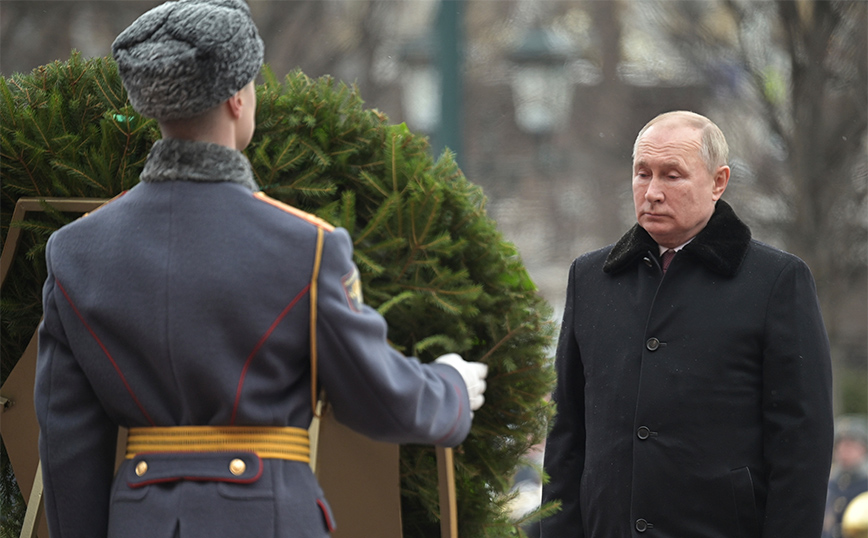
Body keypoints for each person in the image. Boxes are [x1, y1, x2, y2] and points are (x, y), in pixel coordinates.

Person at [33, 1, 487, 537]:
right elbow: (377, 397)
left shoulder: (75, 251)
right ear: (236, 97)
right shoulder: (306, 245)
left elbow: (67, 445)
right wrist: (451, 388)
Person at [540, 110, 834, 537]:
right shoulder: (590, 279)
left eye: (672, 175)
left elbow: (801, 445)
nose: (652, 192)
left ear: (718, 182)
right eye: (642, 174)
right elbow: (566, 435)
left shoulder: (776, 281)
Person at [824, 416, 868, 538]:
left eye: (850, 445)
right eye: (840, 445)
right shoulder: (830, 483)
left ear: (863, 449)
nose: (844, 450)